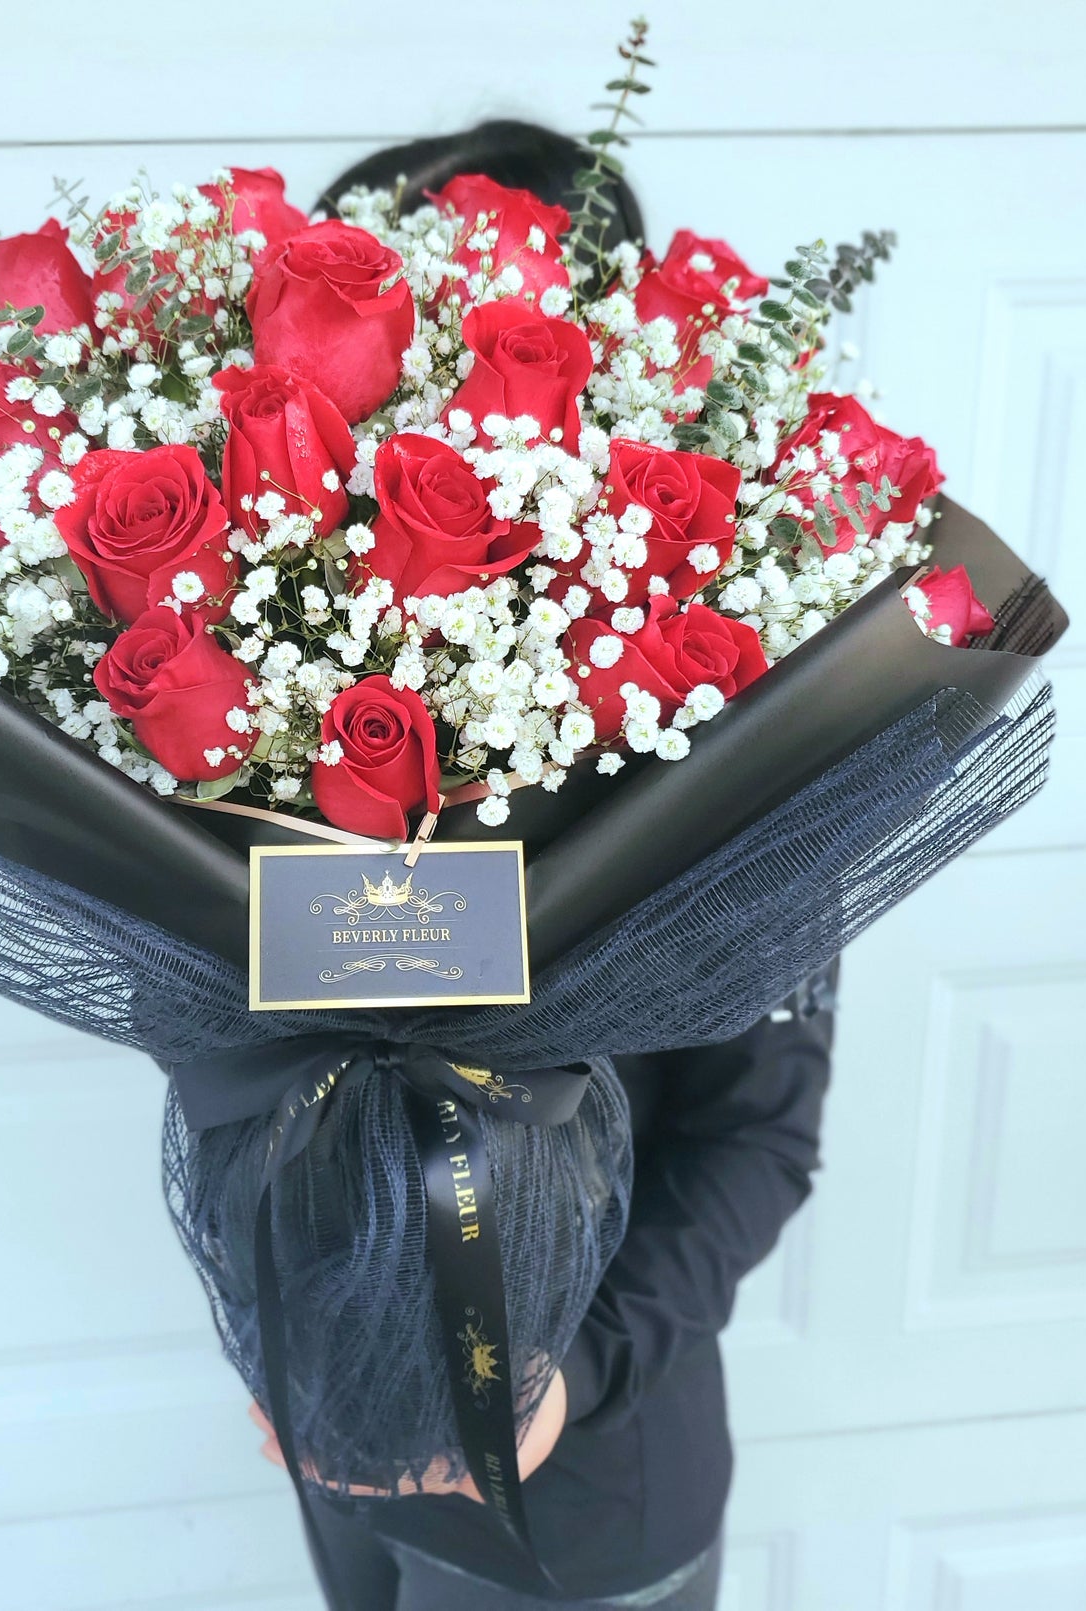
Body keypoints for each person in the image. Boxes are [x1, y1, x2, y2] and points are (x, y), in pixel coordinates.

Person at [241, 123, 843, 1608]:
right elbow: (238, 1064)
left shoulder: (726, 730)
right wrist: (274, 1331)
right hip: (327, 1461)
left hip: (582, 1505)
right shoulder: (267, 710)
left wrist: (568, 1376)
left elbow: (757, 1140)